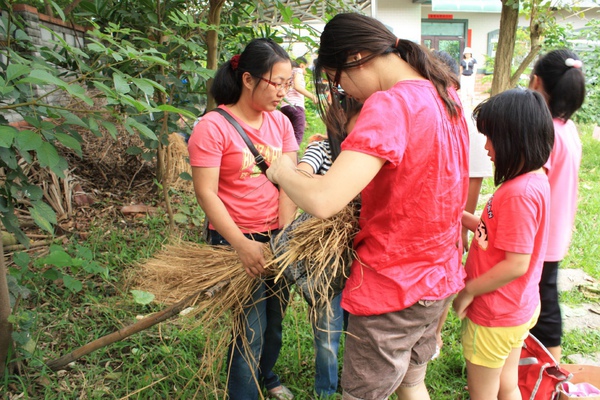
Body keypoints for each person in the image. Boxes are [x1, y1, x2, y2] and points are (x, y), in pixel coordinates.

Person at [266, 13, 469, 399]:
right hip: (438, 278)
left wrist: (284, 172)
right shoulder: (444, 92)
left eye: (338, 78)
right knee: (412, 382)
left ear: (357, 56)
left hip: (394, 287)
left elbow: (324, 200)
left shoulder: (390, 105)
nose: (345, 91)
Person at [187, 38, 298, 400]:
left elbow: (290, 182)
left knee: (275, 321)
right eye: (277, 82)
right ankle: (243, 394)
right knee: (250, 327)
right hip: (235, 241)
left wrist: (283, 236)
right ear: (248, 80)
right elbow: (206, 193)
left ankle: (267, 375)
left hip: (276, 236)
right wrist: (242, 245)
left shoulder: (281, 123)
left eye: (288, 83)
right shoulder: (213, 126)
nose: (284, 91)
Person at [453, 89, 555, 400]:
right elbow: (492, 234)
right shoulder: (535, 181)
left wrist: (469, 290)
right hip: (518, 307)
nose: (485, 147)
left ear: (514, 139)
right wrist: (457, 215)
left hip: (494, 314)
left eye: (491, 137)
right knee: (507, 384)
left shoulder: (519, 194)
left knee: (482, 392)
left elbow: (515, 264)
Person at [295, 98, 362, 397]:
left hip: (362, 257)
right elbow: (302, 173)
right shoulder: (321, 149)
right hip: (326, 259)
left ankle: (353, 384)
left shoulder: (364, 156)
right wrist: (324, 186)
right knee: (327, 330)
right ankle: (325, 390)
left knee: (358, 331)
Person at [528, 49, 586, 362]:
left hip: (540, 235)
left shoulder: (546, 132)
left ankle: (553, 373)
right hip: (558, 228)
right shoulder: (568, 128)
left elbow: (533, 188)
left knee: (543, 303)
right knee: (544, 297)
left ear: (536, 82)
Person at [280, 57, 318, 145]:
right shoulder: (298, 71)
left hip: (285, 106)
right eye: (306, 68)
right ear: (302, 65)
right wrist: (313, 97)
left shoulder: (289, 74)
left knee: (286, 137)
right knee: (297, 137)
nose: (306, 71)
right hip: (296, 106)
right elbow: (297, 87)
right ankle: (292, 157)